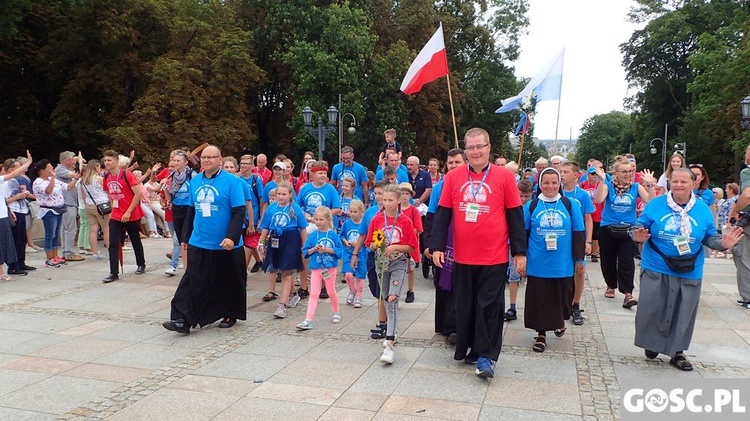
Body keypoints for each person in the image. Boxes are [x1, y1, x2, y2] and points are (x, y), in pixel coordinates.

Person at [431, 128, 527, 379]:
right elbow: (442, 215)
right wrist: (437, 246)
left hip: (493, 256)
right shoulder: (452, 178)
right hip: (463, 256)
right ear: (465, 150)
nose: (475, 152)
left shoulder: (505, 177)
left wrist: (519, 252)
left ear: (488, 147)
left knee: (489, 307)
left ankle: (487, 356)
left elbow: (515, 215)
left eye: (479, 146)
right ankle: (471, 349)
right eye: (470, 147)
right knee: (466, 306)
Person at [631, 168, 743, 370]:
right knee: (652, 307)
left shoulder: (702, 209)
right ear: (669, 183)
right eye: (675, 181)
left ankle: (677, 351)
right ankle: (653, 342)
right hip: (657, 263)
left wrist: (723, 243)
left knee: (683, 312)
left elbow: (710, 237)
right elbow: (638, 226)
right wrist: (637, 235)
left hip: (690, 267)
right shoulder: (657, 204)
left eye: (684, 182)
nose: (679, 185)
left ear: (693, 184)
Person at [163, 145, 248, 334]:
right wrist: (186, 236)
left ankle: (229, 313)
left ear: (220, 159)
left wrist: (231, 237)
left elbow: (238, 211)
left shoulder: (233, 182)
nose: (207, 160)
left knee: (229, 280)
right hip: (200, 240)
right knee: (193, 280)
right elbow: (191, 210)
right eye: (204, 157)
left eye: (211, 157)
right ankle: (182, 319)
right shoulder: (195, 181)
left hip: (226, 243)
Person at [522, 168, 585, 353]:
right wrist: (522, 257)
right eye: (546, 183)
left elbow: (578, 232)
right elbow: (523, 233)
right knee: (539, 299)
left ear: (559, 184)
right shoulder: (531, 206)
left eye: (554, 182)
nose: (550, 186)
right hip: (538, 261)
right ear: (540, 185)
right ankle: (541, 334)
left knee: (562, 296)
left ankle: (558, 321)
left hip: (562, 262)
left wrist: (579, 259)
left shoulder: (570, 204)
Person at [365, 184, 418, 364]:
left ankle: (389, 342)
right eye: (384, 200)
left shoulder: (405, 221)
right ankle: (392, 330)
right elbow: (369, 243)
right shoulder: (376, 219)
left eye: (390, 200)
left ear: (399, 200)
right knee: (385, 296)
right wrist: (376, 244)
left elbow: (412, 245)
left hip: (398, 263)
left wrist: (395, 246)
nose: (387, 203)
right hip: (381, 264)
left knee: (392, 299)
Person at [593, 157, 656, 307]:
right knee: (608, 260)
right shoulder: (609, 185)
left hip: (629, 228)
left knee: (626, 260)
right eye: (624, 172)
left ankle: (628, 292)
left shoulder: (635, 187)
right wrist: (602, 181)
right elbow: (598, 199)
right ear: (616, 172)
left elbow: (651, 202)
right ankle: (610, 285)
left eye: (630, 171)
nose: (628, 174)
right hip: (608, 227)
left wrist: (650, 185)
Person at [423, 148, 465, 340]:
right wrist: (429, 245)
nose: (454, 166)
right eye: (450, 163)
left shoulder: (469, 184)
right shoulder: (440, 186)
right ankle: (445, 325)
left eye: (457, 162)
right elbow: (432, 216)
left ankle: (458, 326)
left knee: (461, 287)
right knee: (443, 284)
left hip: (464, 243)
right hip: (444, 243)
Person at [258, 181, 308, 318]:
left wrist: (304, 245)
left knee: (286, 272)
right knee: (280, 267)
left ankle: (282, 305)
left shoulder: (295, 208)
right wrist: (261, 242)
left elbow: (302, 228)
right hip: (275, 239)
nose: (281, 197)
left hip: (290, 238)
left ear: (290, 195)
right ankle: (293, 294)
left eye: (284, 194)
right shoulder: (271, 208)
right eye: (279, 194)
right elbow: (266, 227)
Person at [296, 161, 341, 300]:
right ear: (312, 174)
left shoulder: (330, 189)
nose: (323, 176)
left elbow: (337, 208)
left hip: (323, 225)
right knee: (305, 253)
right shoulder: (305, 188)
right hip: (308, 224)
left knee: (322, 255)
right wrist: (304, 215)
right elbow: (298, 206)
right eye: (320, 173)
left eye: (324, 173)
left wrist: (323, 215)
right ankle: (304, 287)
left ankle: (323, 287)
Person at [102, 149, 146, 283]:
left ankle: (141, 263)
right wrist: (112, 211)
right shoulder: (106, 176)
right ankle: (113, 272)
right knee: (113, 243)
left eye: (109, 160)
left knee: (135, 239)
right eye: (105, 160)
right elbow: (109, 194)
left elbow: (137, 193)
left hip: (131, 214)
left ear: (116, 161)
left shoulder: (126, 175)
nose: (106, 162)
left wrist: (128, 211)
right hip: (116, 214)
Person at [351, 181, 389, 339]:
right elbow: (363, 234)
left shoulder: (393, 213)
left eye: (382, 193)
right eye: (377, 193)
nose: (379, 197)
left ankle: (385, 323)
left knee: (384, 291)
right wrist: (355, 253)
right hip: (372, 254)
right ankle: (384, 320)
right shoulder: (370, 212)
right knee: (375, 288)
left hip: (388, 256)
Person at [296, 206, 344, 330]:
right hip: (316, 268)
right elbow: (306, 251)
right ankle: (309, 318)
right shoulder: (312, 235)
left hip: (329, 268)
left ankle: (336, 311)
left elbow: (340, 251)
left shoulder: (333, 234)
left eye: (321, 219)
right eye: (316, 219)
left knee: (331, 291)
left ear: (328, 220)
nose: (318, 222)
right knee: (314, 293)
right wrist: (314, 249)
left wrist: (327, 250)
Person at [560, 162, 595, 326]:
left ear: (575, 175)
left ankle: (576, 304)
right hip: (560, 237)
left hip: (577, 236)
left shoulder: (582, 195)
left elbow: (588, 219)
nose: (562, 174)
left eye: (565, 172)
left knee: (579, 270)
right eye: (561, 171)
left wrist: (588, 241)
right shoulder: (556, 192)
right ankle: (560, 302)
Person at [33, 159, 77, 268]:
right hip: (48, 210)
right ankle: (49, 259)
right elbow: (48, 191)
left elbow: (67, 187)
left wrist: (76, 178)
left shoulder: (54, 180)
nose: (52, 168)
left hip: (59, 208)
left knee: (56, 234)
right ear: (42, 170)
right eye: (49, 167)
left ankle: (55, 255)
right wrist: (53, 178)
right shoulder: (38, 182)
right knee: (50, 234)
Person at [504, 179, 533, 322]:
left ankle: (533, 306)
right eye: (520, 196)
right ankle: (512, 306)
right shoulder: (512, 206)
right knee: (514, 275)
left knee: (531, 276)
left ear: (531, 194)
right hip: (513, 246)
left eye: (526, 196)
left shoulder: (533, 207)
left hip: (530, 246)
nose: (523, 199)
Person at [3, 159, 36, 275]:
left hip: (22, 210)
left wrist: (27, 195)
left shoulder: (20, 180)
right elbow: (5, 200)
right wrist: (19, 196)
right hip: (14, 211)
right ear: (11, 170)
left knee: (22, 238)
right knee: (15, 239)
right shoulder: (7, 183)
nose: (21, 169)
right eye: (18, 167)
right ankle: (13, 265)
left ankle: (21, 262)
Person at [55, 151, 85, 262]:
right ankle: (69, 252)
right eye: (73, 159)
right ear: (67, 161)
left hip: (69, 202)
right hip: (67, 202)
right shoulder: (60, 170)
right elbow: (78, 173)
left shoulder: (64, 169)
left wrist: (79, 160)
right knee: (70, 229)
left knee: (65, 228)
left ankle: (66, 251)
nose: (75, 162)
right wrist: (80, 160)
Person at [79, 159, 110, 260]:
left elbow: (84, 196)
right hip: (102, 205)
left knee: (93, 229)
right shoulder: (99, 179)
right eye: (98, 166)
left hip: (89, 205)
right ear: (94, 167)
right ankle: (111, 250)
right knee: (106, 229)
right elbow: (108, 192)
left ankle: (95, 253)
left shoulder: (83, 180)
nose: (100, 168)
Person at [397, 182, 423, 303]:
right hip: (397, 243)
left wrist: (407, 232)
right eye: (402, 193)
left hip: (410, 243)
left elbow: (419, 228)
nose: (404, 196)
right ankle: (396, 290)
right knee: (396, 267)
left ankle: (410, 290)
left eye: (407, 193)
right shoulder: (395, 209)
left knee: (411, 268)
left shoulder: (414, 211)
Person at [238, 154, 264, 273]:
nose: (243, 166)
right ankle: (258, 261)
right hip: (240, 217)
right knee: (247, 244)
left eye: (246, 163)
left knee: (248, 246)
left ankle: (242, 273)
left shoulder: (256, 180)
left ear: (252, 166)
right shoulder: (238, 179)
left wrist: (261, 219)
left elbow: (262, 200)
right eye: (241, 163)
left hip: (252, 216)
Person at [341, 199, 367, 308]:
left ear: (361, 212)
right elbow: (342, 236)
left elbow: (367, 238)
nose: (352, 214)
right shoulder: (347, 224)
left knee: (360, 276)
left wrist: (359, 243)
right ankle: (352, 290)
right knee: (348, 273)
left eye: (355, 212)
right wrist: (346, 242)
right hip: (348, 253)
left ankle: (359, 296)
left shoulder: (364, 224)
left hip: (361, 254)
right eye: (351, 211)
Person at [579, 167, 604, 262]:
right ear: (588, 175)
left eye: (596, 174)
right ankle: (584, 250)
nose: (595, 176)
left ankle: (594, 253)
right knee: (584, 231)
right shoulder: (583, 185)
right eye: (592, 174)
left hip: (597, 212)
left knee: (596, 234)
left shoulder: (600, 185)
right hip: (585, 212)